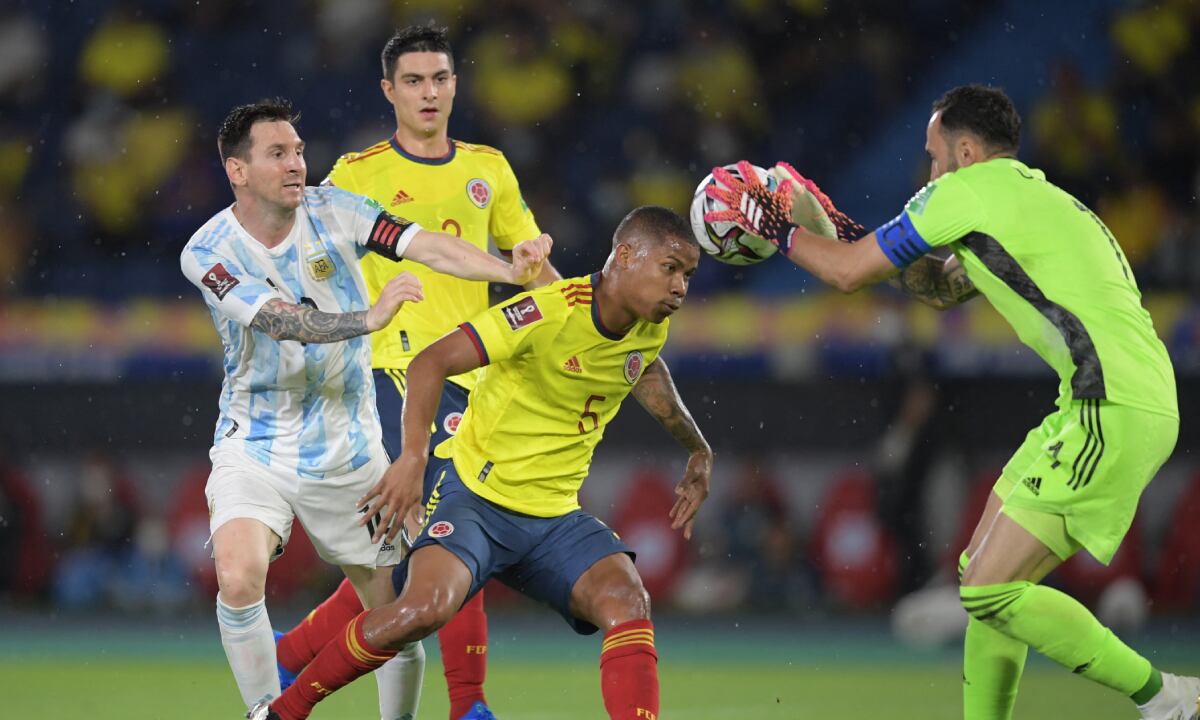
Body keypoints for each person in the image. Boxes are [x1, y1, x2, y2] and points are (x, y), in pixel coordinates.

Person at [705, 84, 1199, 720]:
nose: (930, 170)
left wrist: (769, 222)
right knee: (983, 578)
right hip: (1104, 401)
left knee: (990, 591)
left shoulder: (964, 192)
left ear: (966, 151)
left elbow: (849, 274)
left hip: (1111, 404)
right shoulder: (1038, 201)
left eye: (935, 155)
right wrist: (831, 224)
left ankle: (1166, 697)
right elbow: (937, 287)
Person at [248, 205, 713, 720]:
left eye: (688, 275)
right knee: (419, 611)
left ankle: (311, 658)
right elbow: (433, 361)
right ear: (625, 256)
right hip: (476, 501)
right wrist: (412, 458)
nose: (680, 288)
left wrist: (696, 447)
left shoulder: (649, 326)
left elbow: (643, 367)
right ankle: (282, 712)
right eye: (670, 269)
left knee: (629, 603)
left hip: (554, 516)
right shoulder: (549, 312)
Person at [179, 97, 549, 715]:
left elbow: (425, 244)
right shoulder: (208, 251)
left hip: (349, 450)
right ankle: (267, 711)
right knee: (238, 575)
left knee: (396, 618)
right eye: (277, 153)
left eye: (298, 150)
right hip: (255, 441)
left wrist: (508, 269)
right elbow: (277, 320)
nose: (296, 163)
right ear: (237, 171)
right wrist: (368, 319)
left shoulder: (338, 210)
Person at [271, 25, 560, 720]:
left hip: (478, 375)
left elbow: (529, 267)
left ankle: (291, 653)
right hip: (393, 376)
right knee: (458, 530)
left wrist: (581, 305)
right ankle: (470, 705)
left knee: (408, 557)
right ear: (389, 91)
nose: (428, 92)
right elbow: (303, 257)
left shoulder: (490, 167)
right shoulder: (356, 173)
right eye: (413, 81)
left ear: (455, 85)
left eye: (439, 78)